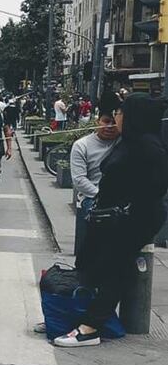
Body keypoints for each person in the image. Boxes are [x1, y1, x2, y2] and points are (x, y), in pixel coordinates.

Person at [54, 94, 168, 347]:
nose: (116, 116)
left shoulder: (149, 147)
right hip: (110, 216)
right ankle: (73, 314)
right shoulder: (129, 140)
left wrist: (127, 203)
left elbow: (156, 187)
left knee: (114, 268)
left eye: (120, 112)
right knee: (90, 262)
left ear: (133, 116)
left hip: (132, 219)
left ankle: (90, 327)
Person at [70, 105, 120, 257]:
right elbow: (79, 180)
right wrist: (100, 195)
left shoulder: (124, 142)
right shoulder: (81, 145)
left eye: (114, 122)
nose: (110, 126)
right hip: (92, 197)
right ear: (98, 121)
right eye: (106, 121)